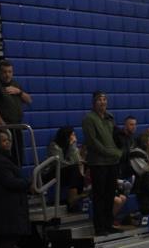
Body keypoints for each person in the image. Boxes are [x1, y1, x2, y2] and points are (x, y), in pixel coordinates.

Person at [82, 91, 123, 235]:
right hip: (98, 162)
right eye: (99, 99)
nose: (103, 102)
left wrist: (119, 150)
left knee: (110, 194)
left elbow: (116, 137)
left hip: (112, 161)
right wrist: (110, 152)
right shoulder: (89, 119)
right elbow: (93, 142)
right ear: (94, 102)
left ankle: (108, 223)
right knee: (99, 195)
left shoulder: (109, 117)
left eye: (105, 99)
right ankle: (99, 227)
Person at [0, 60, 31, 161]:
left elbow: (29, 100)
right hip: (5, 129)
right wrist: (4, 126)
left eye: (10, 72)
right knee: (7, 157)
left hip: (17, 126)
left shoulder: (15, 85)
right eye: (5, 72)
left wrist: (19, 92)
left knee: (18, 157)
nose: (7, 75)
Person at [46, 126, 87, 211]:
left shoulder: (71, 146)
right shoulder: (54, 146)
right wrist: (72, 147)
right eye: (72, 135)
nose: (74, 137)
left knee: (79, 168)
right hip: (54, 172)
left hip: (68, 172)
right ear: (66, 136)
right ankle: (73, 199)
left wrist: (72, 147)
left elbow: (76, 160)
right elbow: (60, 163)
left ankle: (76, 198)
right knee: (74, 168)